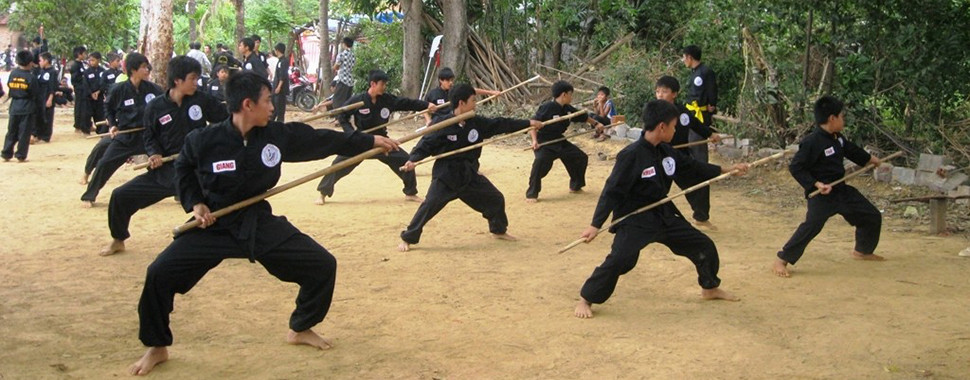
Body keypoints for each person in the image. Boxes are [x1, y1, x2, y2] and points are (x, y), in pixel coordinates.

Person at [126, 71, 400, 376]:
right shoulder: (203, 140)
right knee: (158, 274)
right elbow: (184, 168)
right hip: (213, 223)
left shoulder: (275, 137)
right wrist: (196, 203)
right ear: (247, 104)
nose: (272, 107)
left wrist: (369, 140)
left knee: (322, 264)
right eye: (267, 100)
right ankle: (157, 345)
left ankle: (300, 327)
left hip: (256, 220)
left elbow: (322, 139)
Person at [572, 99, 747, 319]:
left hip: (663, 212)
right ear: (662, 127)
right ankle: (586, 298)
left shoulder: (666, 151)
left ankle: (709, 287)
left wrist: (727, 169)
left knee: (703, 245)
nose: (676, 130)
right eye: (674, 126)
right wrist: (595, 225)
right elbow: (612, 191)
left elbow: (692, 167)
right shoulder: (631, 155)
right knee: (620, 260)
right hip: (634, 218)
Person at [100, 56, 229, 256]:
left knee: (222, 202)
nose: (196, 83)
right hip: (167, 171)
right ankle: (118, 239)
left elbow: (226, 118)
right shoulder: (156, 107)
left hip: (197, 171)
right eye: (192, 79)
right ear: (177, 80)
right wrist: (154, 153)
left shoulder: (201, 100)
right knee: (120, 196)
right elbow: (150, 136)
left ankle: (225, 241)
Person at [398, 83, 542, 251]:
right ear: (461, 103)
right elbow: (426, 144)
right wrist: (413, 159)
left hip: (469, 174)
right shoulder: (442, 124)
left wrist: (528, 123)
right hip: (446, 176)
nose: (476, 103)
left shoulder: (476, 123)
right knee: (429, 206)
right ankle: (407, 238)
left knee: (495, 199)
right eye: (473, 100)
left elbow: (502, 124)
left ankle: (498, 230)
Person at [773, 96, 884, 277]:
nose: (843, 120)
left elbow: (851, 150)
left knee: (870, 215)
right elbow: (796, 167)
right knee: (812, 226)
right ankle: (782, 259)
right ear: (832, 118)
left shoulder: (837, 138)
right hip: (822, 194)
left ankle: (863, 251)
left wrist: (871, 160)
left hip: (841, 190)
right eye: (842, 116)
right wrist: (816, 184)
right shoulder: (811, 142)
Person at [315, 69, 433, 205]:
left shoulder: (387, 100)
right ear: (373, 84)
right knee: (338, 165)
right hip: (360, 140)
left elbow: (407, 103)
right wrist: (351, 134)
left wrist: (427, 105)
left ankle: (410, 193)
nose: (384, 87)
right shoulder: (358, 100)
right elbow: (342, 116)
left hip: (382, 141)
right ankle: (323, 193)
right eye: (382, 84)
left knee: (405, 160)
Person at [79, 53, 163, 205]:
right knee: (104, 163)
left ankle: (180, 194)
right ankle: (89, 195)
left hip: (148, 136)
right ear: (133, 70)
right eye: (144, 67)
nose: (147, 70)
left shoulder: (154, 90)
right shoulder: (118, 89)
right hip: (125, 137)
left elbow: (165, 106)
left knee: (169, 162)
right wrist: (112, 125)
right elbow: (108, 107)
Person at [654, 76, 720, 229]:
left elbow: (696, 124)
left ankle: (701, 217)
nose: (660, 95)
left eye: (664, 91)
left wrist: (710, 134)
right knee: (655, 189)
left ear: (674, 94)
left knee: (700, 182)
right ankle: (648, 220)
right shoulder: (653, 111)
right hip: (659, 155)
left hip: (681, 155)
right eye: (657, 92)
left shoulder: (682, 112)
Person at [525, 80, 604, 203]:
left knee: (580, 157)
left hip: (560, 140)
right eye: (570, 94)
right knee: (540, 163)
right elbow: (533, 125)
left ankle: (575, 186)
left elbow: (582, 116)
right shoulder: (547, 107)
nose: (571, 97)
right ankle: (532, 193)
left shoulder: (567, 108)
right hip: (545, 142)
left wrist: (596, 123)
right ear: (564, 95)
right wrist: (534, 141)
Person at [682, 45, 718, 185]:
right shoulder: (694, 72)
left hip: (701, 113)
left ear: (690, 57)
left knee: (698, 143)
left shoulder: (706, 72)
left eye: (684, 57)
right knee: (691, 142)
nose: (684, 60)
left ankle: (703, 173)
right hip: (691, 112)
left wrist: (712, 105)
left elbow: (712, 90)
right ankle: (694, 170)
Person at [422, 67, 500, 126]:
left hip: (454, 120)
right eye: (448, 81)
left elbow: (472, 90)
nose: (450, 83)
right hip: (439, 123)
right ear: (441, 80)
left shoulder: (455, 90)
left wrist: (491, 92)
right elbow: (424, 109)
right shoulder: (433, 93)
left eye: (452, 80)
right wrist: (428, 121)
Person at [2, 51, 40, 162]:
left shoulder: (13, 74)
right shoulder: (31, 77)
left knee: (11, 131)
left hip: (14, 106)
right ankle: (21, 155)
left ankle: (6, 153)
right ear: (30, 63)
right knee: (24, 133)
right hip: (27, 107)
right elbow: (35, 94)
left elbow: (10, 87)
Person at [31, 52, 58, 143]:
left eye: (41, 60)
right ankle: (38, 135)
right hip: (39, 98)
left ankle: (46, 136)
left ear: (46, 61)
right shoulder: (41, 71)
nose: (39, 62)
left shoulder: (52, 72)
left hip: (47, 97)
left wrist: (50, 99)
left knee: (47, 117)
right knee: (39, 117)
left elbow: (52, 87)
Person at [83, 52, 107, 133]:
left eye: (93, 60)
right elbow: (85, 84)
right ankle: (87, 129)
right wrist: (91, 93)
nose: (91, 62)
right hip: (89, 97)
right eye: (90, 60)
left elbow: (104, 83)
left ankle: (100, 130)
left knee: (100, 114)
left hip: (99, 97)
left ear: (98, 60)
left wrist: (99, 91)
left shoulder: (103, 71)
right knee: (87, 113)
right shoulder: (87, 72)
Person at [70, 46, 91, 134]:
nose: (85, 55)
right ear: (79, 54)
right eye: (84, 53)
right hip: (79, 89)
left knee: (84, 108)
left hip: (84, 89)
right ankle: (78, 125)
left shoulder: (82, 64)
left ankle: (85, 124)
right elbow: (74, 79)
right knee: (79, 107)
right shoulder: (75, 65)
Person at [332, 37, 356, 108]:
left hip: (342, 80)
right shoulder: (353, 55)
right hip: (351, 81)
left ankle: (338, 117)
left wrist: (334, 67)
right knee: (347, 101)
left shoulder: (341, 55)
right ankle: (345, 118)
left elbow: (336, 67)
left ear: (344, 44)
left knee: (337, 101)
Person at [271, 43, 288, 122]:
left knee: (280, 109)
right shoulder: (280, 61)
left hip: (280, 89)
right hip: (276, 87)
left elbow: (283, 75)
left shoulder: (284, 61)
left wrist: (279, 86)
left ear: (277, 50)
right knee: (274, 108)